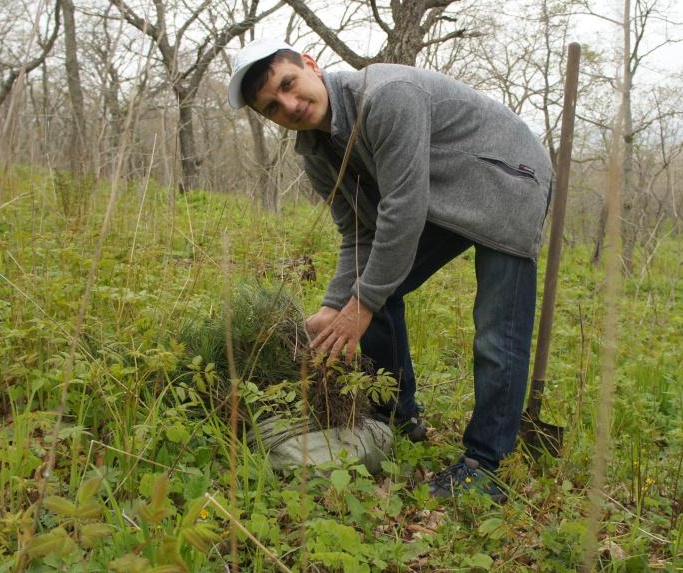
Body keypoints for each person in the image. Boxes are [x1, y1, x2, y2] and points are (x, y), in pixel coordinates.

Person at [227, 39, 551, 503]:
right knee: (368, 294)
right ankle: (399, 417)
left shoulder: (386, 95)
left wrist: (360, 304)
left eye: (289, 84)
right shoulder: (316, 152)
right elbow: (359, 233)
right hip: (442, 195)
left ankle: (484, 465)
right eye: (273, 107)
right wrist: (334, 306)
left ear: (311, 65)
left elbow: (402, 211)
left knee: (497, 331)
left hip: (506, 178)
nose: (290, 105)